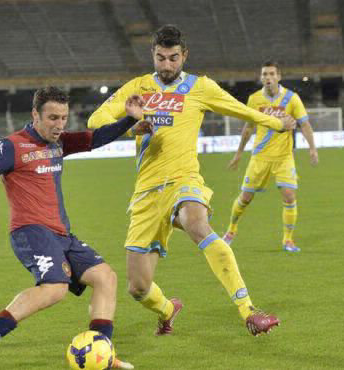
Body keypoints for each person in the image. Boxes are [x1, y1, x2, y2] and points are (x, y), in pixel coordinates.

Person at [0, 87, 150, 370]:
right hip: (30, 231)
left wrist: (129, 120)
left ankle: (101, 352)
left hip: (62, 234)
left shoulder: (60, 142)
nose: (59, 125)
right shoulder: (11, 147)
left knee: (105, 277)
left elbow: (95, 138)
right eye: (52, 117)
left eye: (63, 118)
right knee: (55, 288)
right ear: (35, 115)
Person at [88, 25, 295, 337]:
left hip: (184, 177)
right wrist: (131, 123)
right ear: (153, 55)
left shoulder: (201, 87)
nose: (167, 65)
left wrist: (276, 123)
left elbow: (240, 110)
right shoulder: (139, 87)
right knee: (137, 287)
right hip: (147, 190)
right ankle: (169, 310)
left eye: (173, 58)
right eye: (161, 58)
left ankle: (248, 310)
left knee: (197, 223)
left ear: (184, 55)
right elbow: (96, 121)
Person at [223, 61, 318, 252]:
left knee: (289, 196)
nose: (268, 77)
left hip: (284, 157)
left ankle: (288, 240)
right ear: (261, 77)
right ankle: (231, 231)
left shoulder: (292, 99)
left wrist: (312, 148)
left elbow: (304, 124)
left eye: (271, 74)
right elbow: (248, 128)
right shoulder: (255, 99)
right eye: (264, 74)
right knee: (245, 197)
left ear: (278, 76)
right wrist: (239, 154)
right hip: (260, 157)